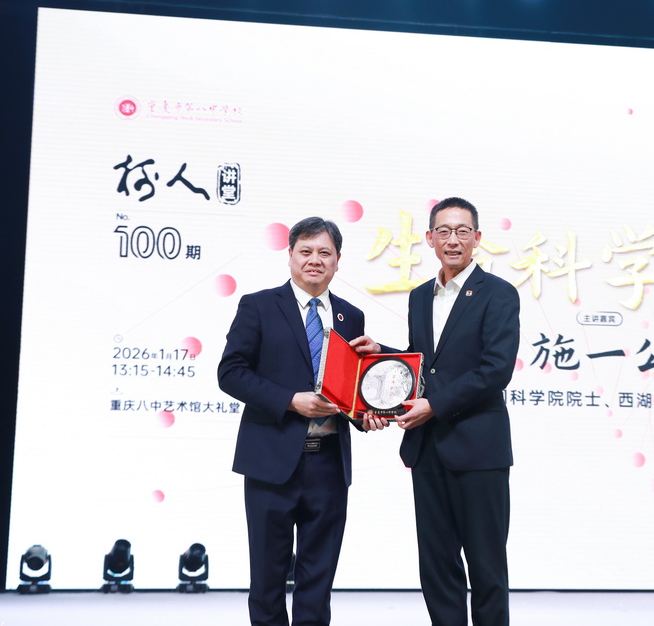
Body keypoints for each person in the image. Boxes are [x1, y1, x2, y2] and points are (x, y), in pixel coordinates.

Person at [353, 197, 521, 626]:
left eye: (462, 231)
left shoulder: (499, 294)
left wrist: (435, 405)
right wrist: (381, 352)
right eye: (443, 231)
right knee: (437, 566)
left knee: (486, 567)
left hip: (479, 451)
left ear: (477, 238)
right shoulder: (419, 296)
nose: (453, 240)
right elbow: (425, 365)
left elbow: (495, 370)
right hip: (428, 449)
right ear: (429, 238)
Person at [219, 216, 387, 626]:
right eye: (306, 251)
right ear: (290, 255)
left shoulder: (350, 316)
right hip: (270, 461)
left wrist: (366, 415)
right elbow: (231, 372)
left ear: (337, 260)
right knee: (267, 578)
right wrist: (290, 401)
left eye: (324, 252)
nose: (315, 260)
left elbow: (351, 387)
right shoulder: (258, 306)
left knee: (318, 579)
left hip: (328, 464)